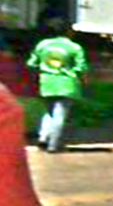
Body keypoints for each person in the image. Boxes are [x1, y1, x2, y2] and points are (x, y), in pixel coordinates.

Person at [27, 16, 88, 153]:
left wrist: (44, 70)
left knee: (49, 113)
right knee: (59, 115)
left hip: (47, 83)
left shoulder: (42, 45)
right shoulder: (74, 47)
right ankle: (53, 145)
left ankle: (43, 138)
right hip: (67, 85)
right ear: (68, 31)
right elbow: (81, 67)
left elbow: (31, 63)